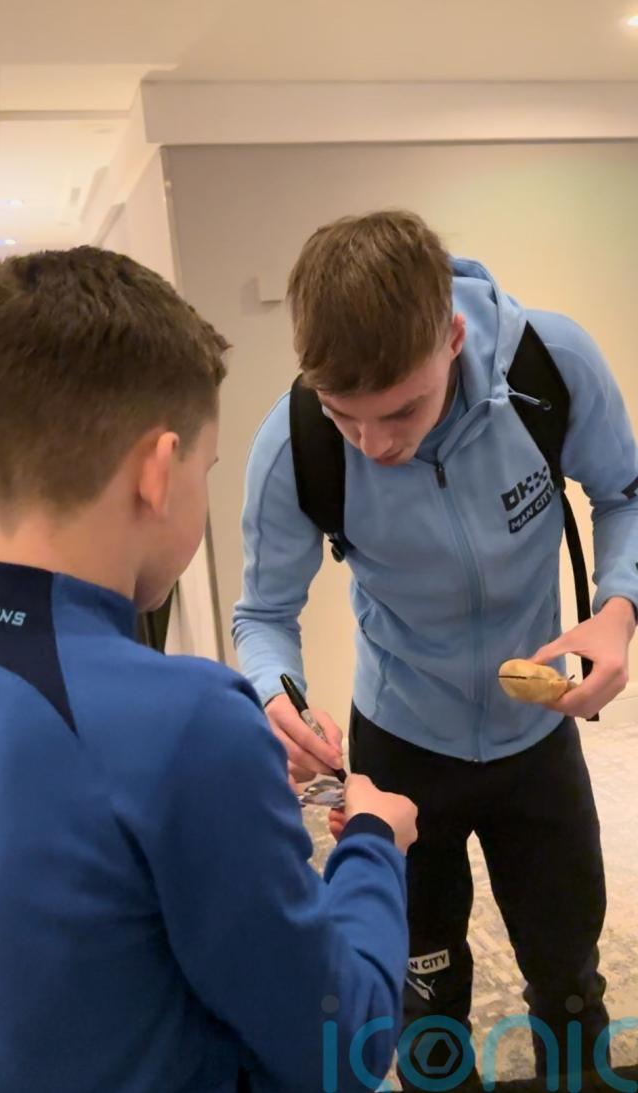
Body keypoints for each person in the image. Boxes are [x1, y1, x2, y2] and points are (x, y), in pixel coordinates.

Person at [233, 210, 638, 1090]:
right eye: (346, 417)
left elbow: (625, 493)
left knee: (570, 981)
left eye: (401, 410)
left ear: (452, 338)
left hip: (537, 741)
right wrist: (276, 696)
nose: (376, 445)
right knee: (424, 998)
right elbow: (262, 614)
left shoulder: (549, 366)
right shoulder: (294, 443)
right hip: (401, 744)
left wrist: (619, 607)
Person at [0, 245, 418, 1093]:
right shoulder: (188, 721)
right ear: (159, 471)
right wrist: (375, 844)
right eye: (207, 469)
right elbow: (341, 1046)